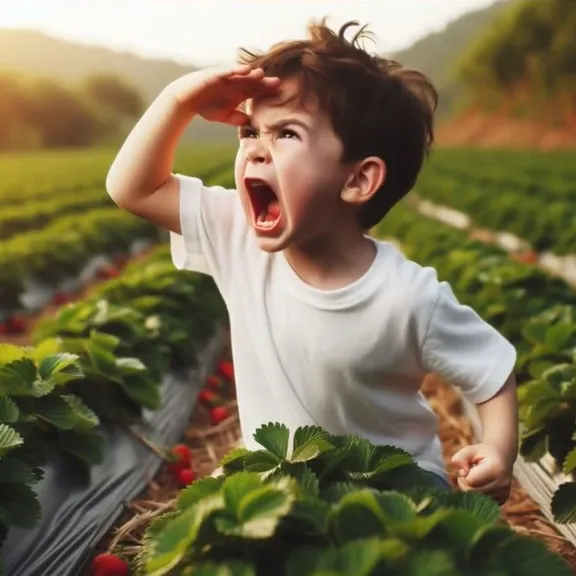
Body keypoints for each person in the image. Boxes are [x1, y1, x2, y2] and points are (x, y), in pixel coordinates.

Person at [106, 19, 518, 502]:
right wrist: (179, 101)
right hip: (280, 472)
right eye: (248, 132)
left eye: (286, 134)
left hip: (391, 481)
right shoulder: (234, 233)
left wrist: (499, 448)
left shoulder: (408, 296)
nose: (256, 150)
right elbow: (132, 188)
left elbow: (491, 371)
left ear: (358, 181)